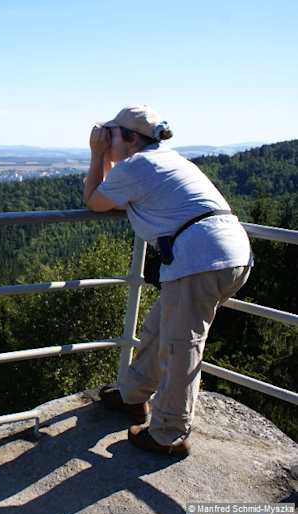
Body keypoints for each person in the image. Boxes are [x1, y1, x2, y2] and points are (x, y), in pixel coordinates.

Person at [84, 105, 253, 456]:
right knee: (159, 330)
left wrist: (97, 155)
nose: (106, 138)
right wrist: (108, 152)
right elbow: (114, 196)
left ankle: (168, 433)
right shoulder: (166, 160)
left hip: (200, 260)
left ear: (131, 138)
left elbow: (94, 201)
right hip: (226, 255)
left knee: (180, 347)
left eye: (112, 134)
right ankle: (133, 396)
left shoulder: (137, 165)